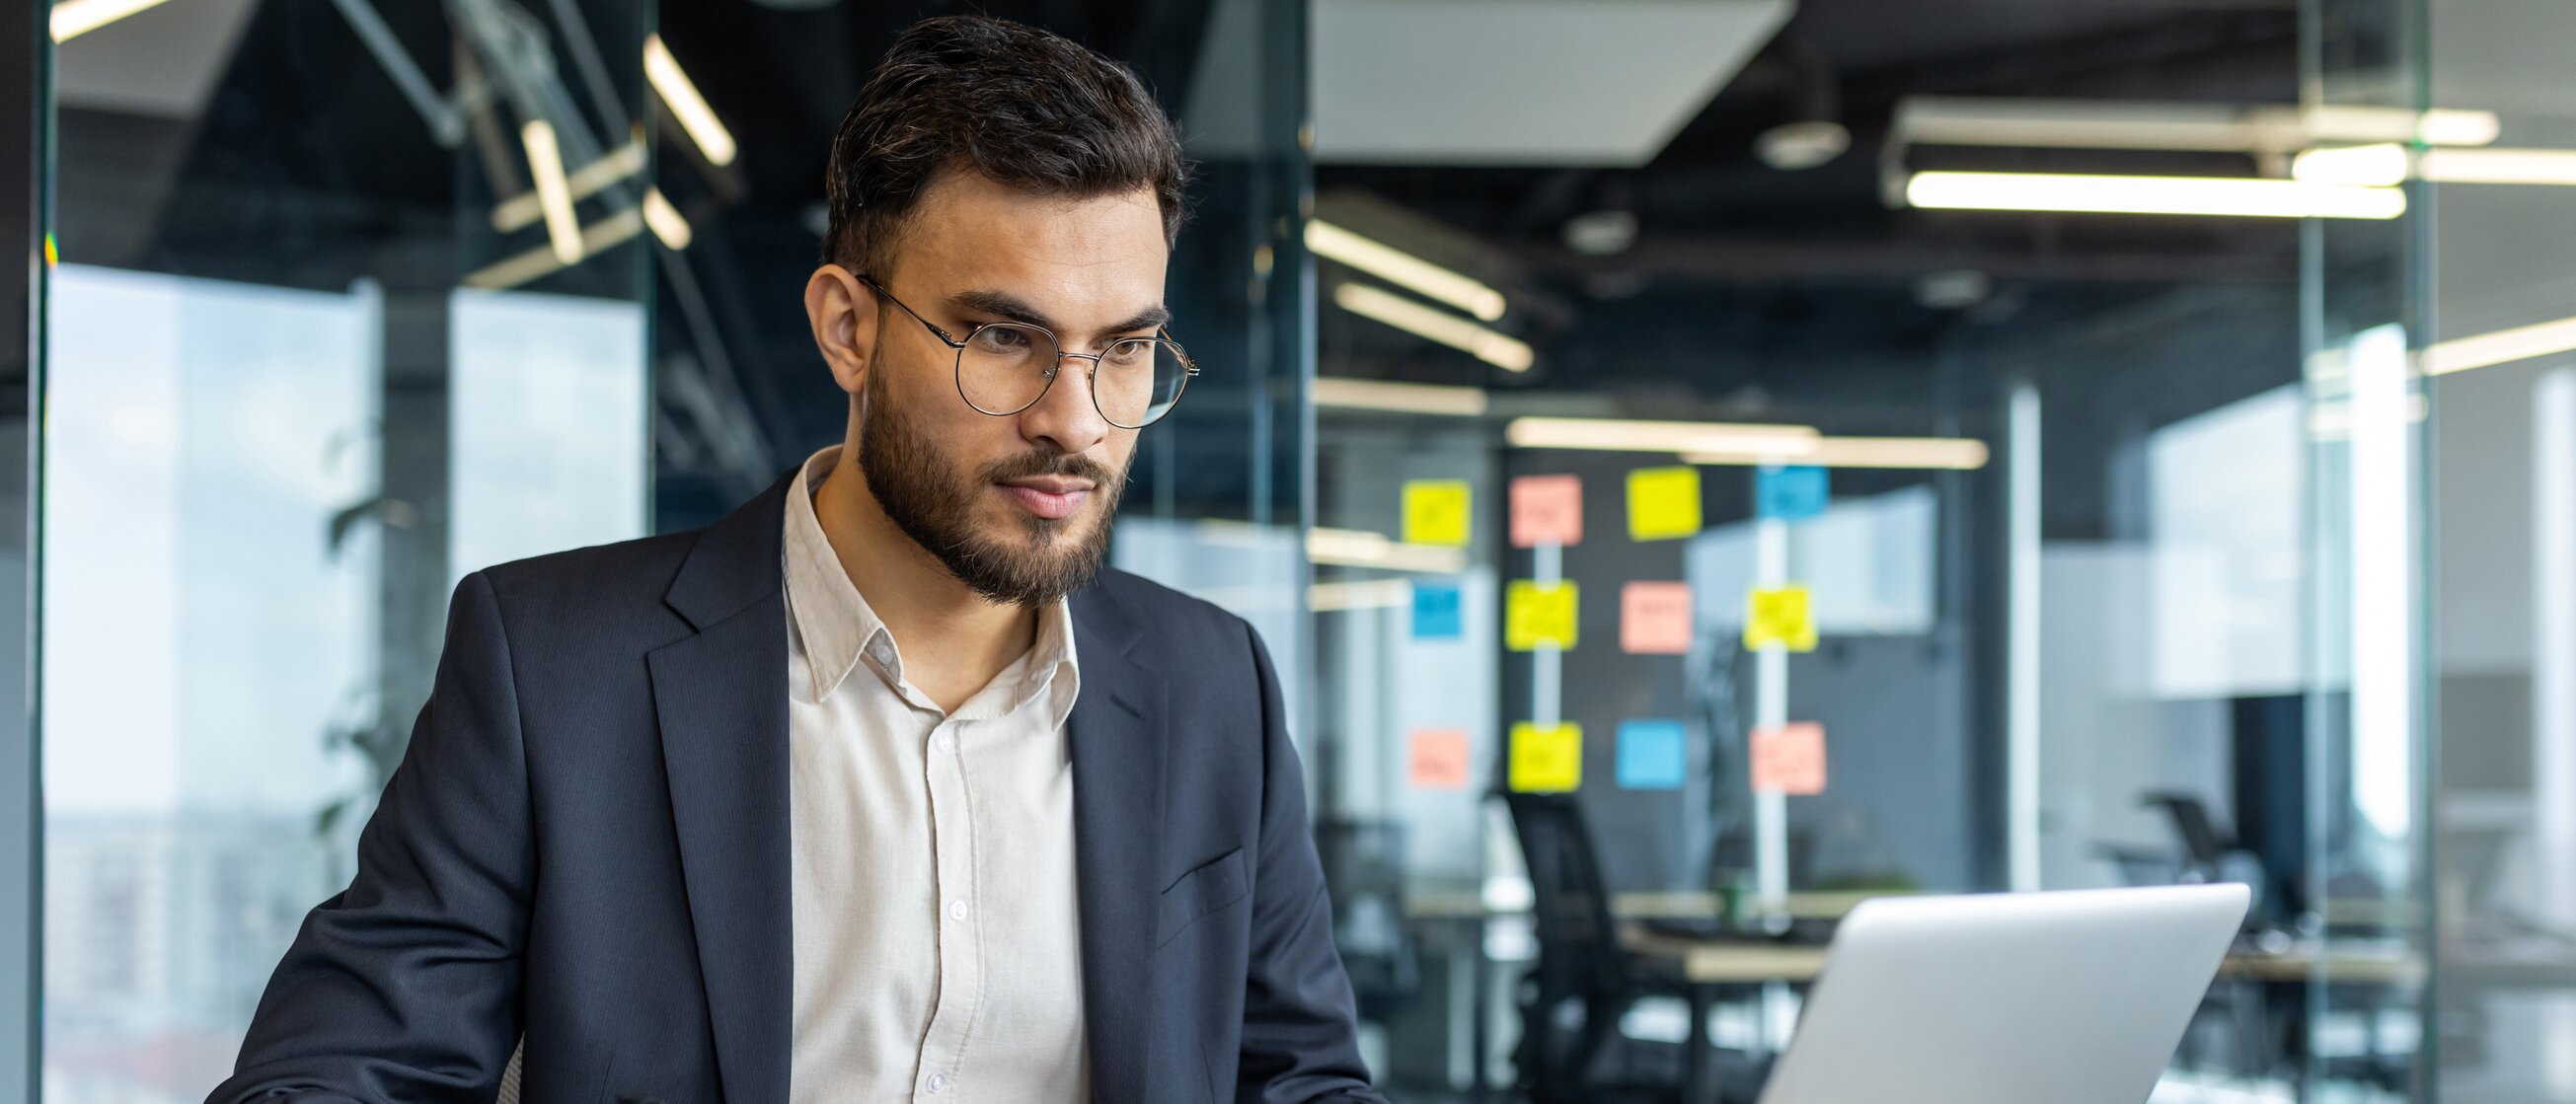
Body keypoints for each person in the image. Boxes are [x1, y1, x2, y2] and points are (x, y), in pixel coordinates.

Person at [208, 15, 1384, 1104]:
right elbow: (333, 1077)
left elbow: (1301, 1080)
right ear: (848, 328)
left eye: (1123, 350)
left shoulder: (1210, 682)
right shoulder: (557, 666)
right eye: (1003, 338)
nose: (1074, 420)